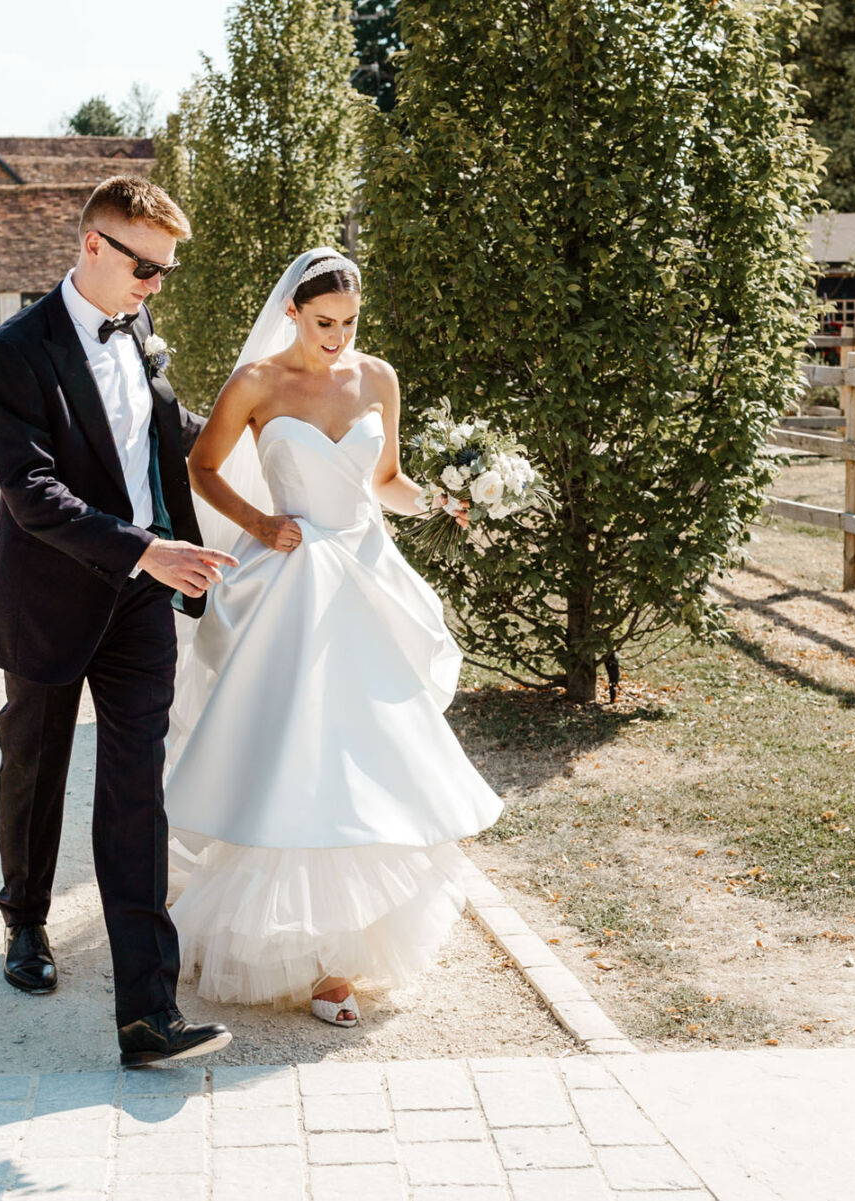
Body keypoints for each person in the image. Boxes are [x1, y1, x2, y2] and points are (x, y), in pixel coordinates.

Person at [164, 247, 503, 1026]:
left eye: (349, 323)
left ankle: (345, 956)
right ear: (292, 312)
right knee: (296, 756)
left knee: (370, 755)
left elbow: (384, 481)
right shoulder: (257, 383)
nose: (338, 338)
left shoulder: (376, 378)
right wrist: (259, 523)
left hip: (366, 573)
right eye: (324, 323)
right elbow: (202, 466)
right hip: (290, 579)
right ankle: (296, 951)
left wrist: (445, 502)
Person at [0, 176, 238, 1067]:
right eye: (147, 268)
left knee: (134, 792)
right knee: (35, 766)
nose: (156, 286)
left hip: (138, 604)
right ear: (94, 248)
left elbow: (163, 433)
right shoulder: (12, 353)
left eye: (164, 272)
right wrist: (143, 548)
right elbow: (32, 494)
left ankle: (145, 1015)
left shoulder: (142, 332)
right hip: (47, 597)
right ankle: (26, 924)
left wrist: (269, 425)